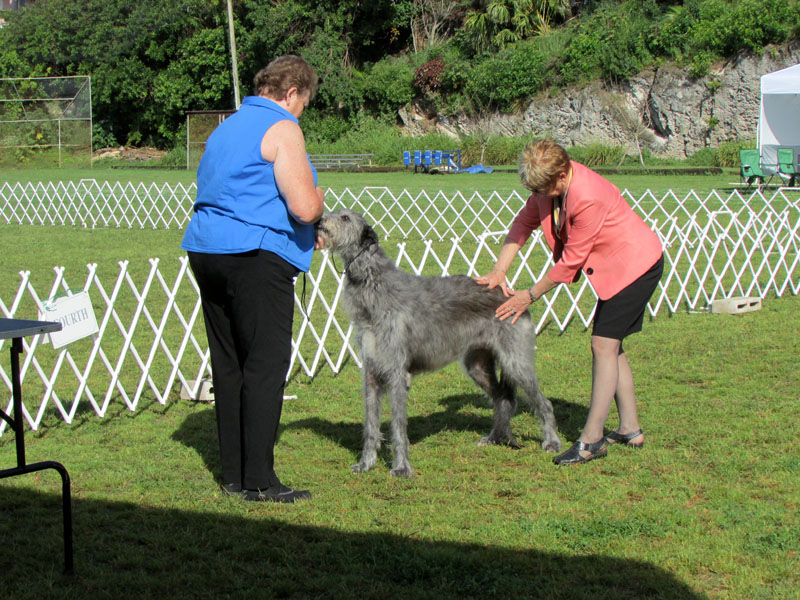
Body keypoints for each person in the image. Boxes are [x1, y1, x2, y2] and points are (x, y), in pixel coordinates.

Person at [181, 55, 325, 501]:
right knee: (264, 366)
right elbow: (303, 207)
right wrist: (318, 200)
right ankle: (261, 481)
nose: (301, 111)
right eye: (304, 103)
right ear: (291, 93)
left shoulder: (226, 127)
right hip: (254, 256)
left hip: (206, 250)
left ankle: (233, 474)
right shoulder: (283, 127)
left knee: (229, 364)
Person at [475, 139, 663, 465]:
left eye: (541, 189)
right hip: (618, 268)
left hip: (636, 267)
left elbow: (571, 262)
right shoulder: (550, 189)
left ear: (562, 176)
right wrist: (499, 269)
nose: (537, 196)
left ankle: (591, 440)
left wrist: (528, 296)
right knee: (612, 346)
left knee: (603, 345)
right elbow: (523, 224)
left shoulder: (587, 196)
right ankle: (630, 429)